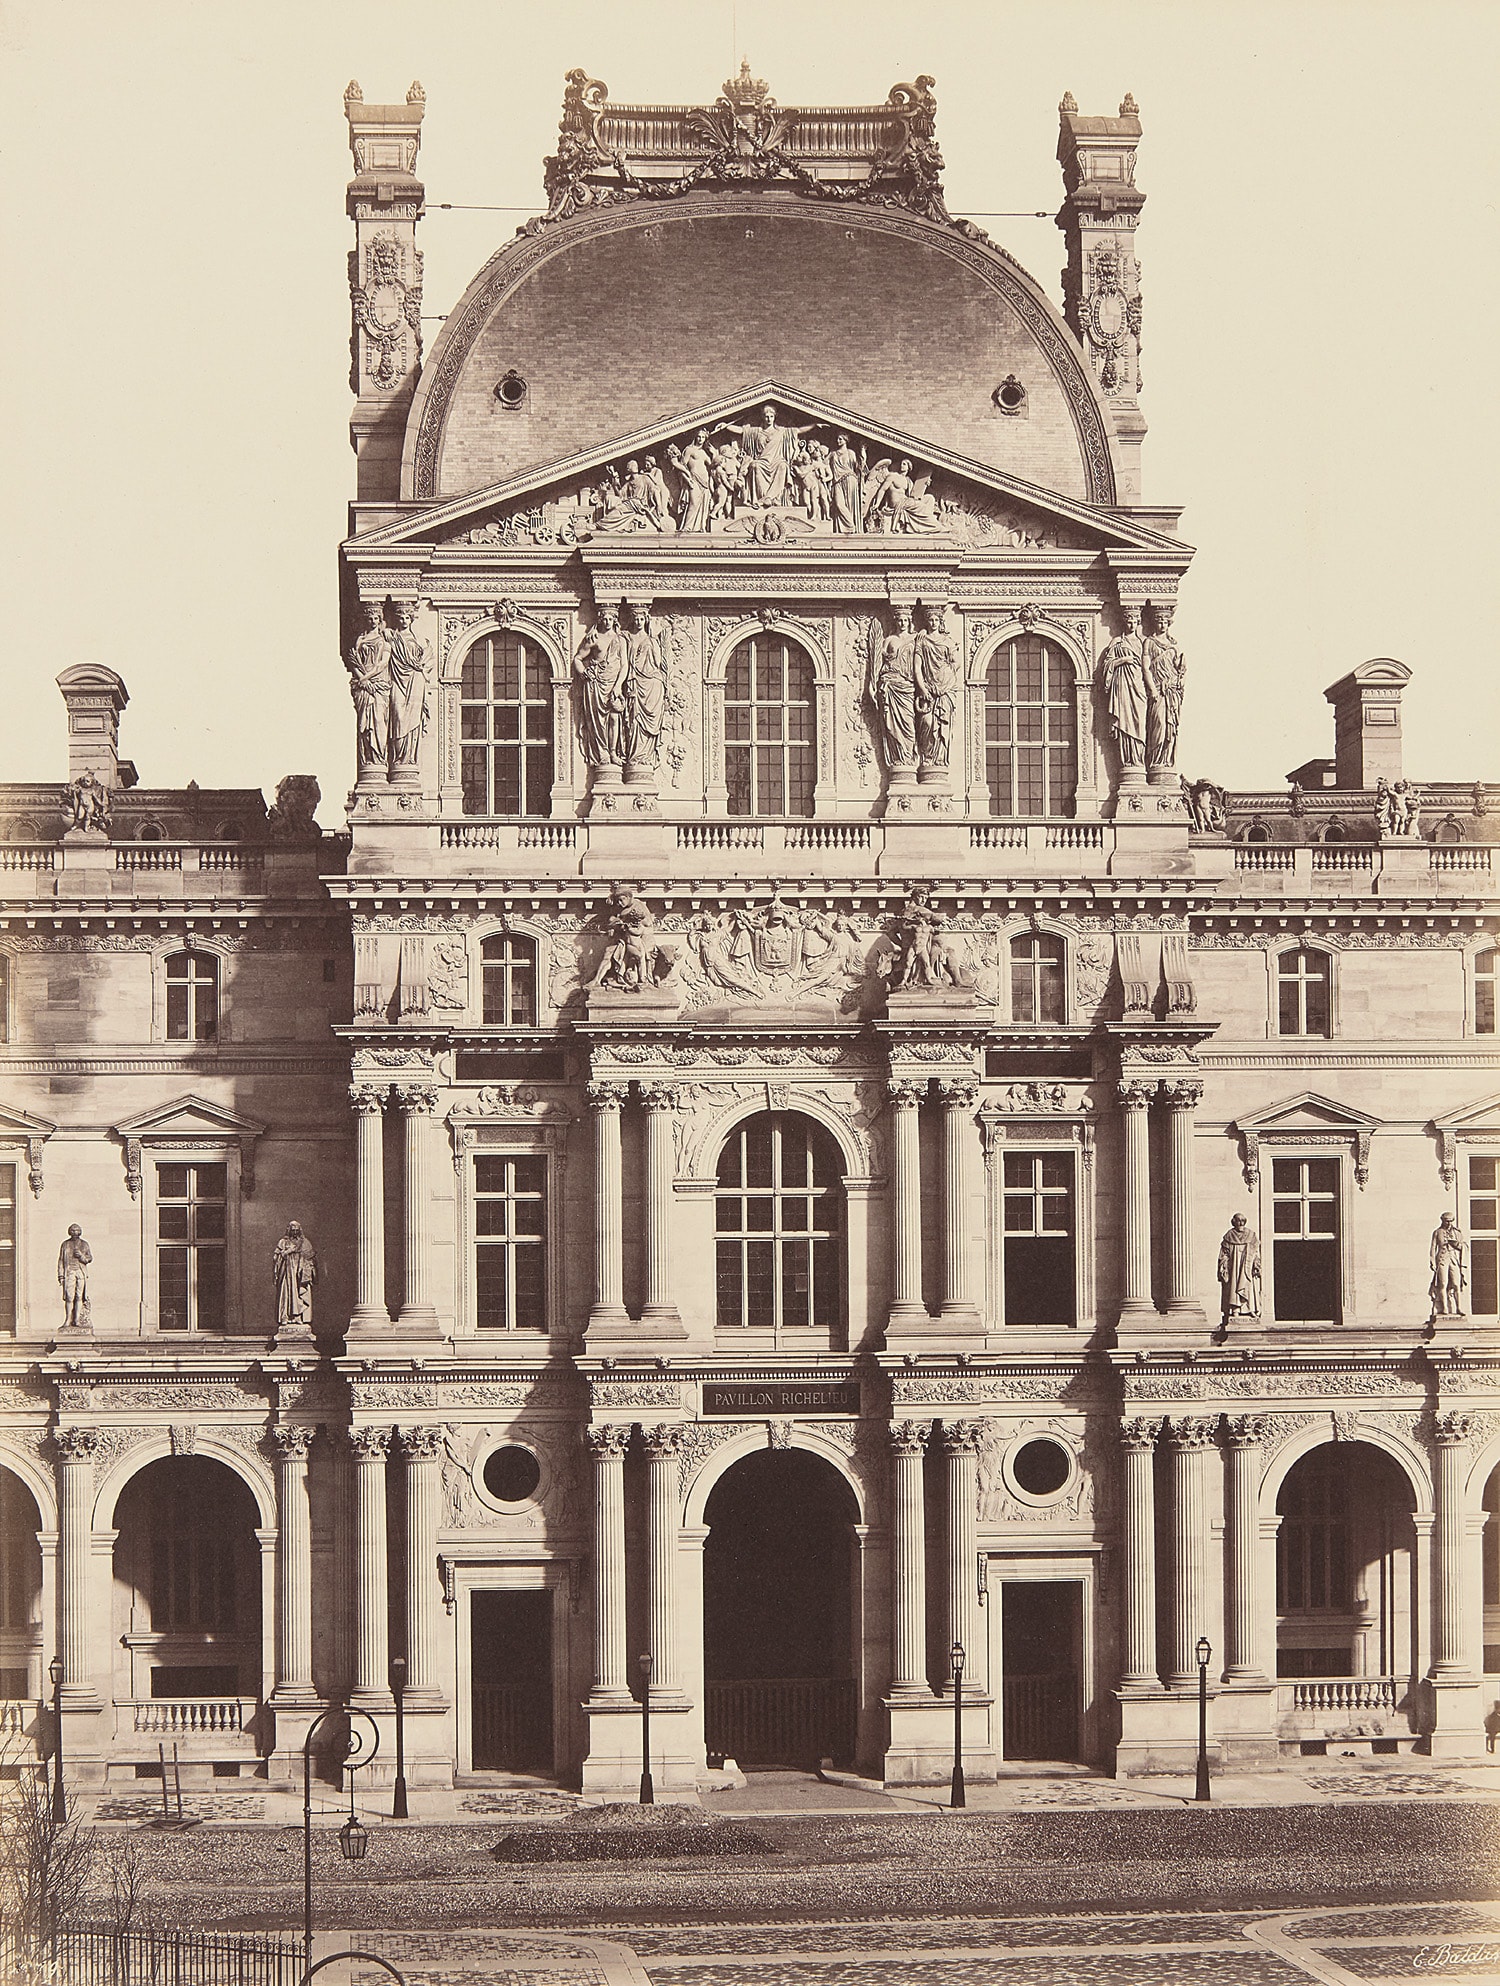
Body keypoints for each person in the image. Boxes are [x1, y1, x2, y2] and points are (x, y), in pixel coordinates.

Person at [710, 404, 817, 507]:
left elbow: (799, 430)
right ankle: (762, 498)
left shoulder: (782, 431)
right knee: (755, 466)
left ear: (775, 417)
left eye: (771, 416)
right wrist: (726, 426)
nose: (769, 419)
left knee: (783, 466)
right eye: (766, 417)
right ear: (762, 417)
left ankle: (771, 498)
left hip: (776, 461)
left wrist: (815, 424)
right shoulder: (756, 431)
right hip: (761, 461)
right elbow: (741, 431)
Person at [572, 609, 629, 768]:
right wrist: (583, 673)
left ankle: (613, 752)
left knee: (614, 718)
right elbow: (578, 659)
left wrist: (618, 686)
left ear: (615, 620)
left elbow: (624, 665)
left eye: (610, 619)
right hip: (596, 683)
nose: (607, 622)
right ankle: (602, 751)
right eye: (604, 619)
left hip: (613, 683)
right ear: (600, 620)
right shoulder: (594, 638)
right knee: (598, 721)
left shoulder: (620, 640)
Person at [871, 606, 920, 773]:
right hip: (891, 683)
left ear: (910, 621)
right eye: (899, 620)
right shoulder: (889, 640)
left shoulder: (916, 639)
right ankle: (899, 760)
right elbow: (879, 662)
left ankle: (908, 759)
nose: (902, 623)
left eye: (905, 620)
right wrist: (872, 683)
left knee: (909, 725)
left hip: (907, 686)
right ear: (895, 621)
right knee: (892, 725)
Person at [385, 600, 432, 775]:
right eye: (401, 617)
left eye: (407, 617)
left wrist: (421, 666)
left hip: (416, 680)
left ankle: (408, 759)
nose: (404, 620)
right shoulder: (390, 636)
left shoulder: (419, 639)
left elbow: (428, 659)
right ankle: (398, 761)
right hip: (397, 681)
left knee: (413, 721)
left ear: (412, 619)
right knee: (397, 715)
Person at [345, 600, 392, 776]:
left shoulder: (385, 641)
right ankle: (370, 761)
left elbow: (382, 664)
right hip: (364, 687)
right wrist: (361, 679)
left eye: (376, 618)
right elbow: (354, 661)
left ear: (380, 620)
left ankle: (379, 758)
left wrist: (365, 678)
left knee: (379, 722)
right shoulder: (361, 639)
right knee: (365, 724)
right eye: (370, 618)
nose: (373, 621)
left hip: (378, 685)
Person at [913, 602, 960, 770]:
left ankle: (939, 760)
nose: (933, 623)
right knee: (926, 722)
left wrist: (947, 678)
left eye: (936, 620)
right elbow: (917, 667)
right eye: (930, 620)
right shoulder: (922, 640)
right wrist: (923, 688)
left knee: (943, 725)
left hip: (946, 688)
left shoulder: (947, 641)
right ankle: (927, 758)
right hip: (929, 688)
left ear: (941, 622)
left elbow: (956, 663)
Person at [1101, 606, 1149, 769]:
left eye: (1134, 621)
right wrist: (1124, 660)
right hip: (1122, 685)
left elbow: (1149, 668)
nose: (1131, 624)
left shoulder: (1144, 643)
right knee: (1124, 721)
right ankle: (1128, 761)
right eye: (1128, 621)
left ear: (1138, 622)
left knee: (1139, 723)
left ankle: (1138, 760)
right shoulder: (1117, 642)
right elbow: (1107, 665)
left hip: (1138, 686)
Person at [623, 606, 667, 777]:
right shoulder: (626, 638)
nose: (638, 622)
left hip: (651, 684)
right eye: (636, 619)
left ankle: (645, 758)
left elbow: (657, 663)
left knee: (647, 726)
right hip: (634, 683)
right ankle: (634, 758)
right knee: (634, 721)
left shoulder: (652, 641)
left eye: (642, 619)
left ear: (646, 620)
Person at [1144, 603, 1185, 773]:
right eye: (1159, 621)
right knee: (1159, 724)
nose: (1162, 625)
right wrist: (1152, 689)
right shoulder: (1149, 642)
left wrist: (1180, 676)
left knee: (1171, 728)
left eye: (1165, 622)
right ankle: (1155, 760)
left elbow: (1179, 669)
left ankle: (1165, 761)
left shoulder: (1174, 646)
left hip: (1172, 691)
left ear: (1169, 624)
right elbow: (1146, 667)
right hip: (1158, 691)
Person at [273, 1221, 317, 1329]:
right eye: (293, 1230)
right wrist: (287, 1252)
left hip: (301, 1273)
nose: (295, 1232)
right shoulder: (283, 1242)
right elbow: (276, 1258)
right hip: (288, 1272)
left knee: (300, 1293)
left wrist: (307, 1265)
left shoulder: (305, 1242)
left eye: (297, 1230)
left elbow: (311, 1257)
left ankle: (299, 1316)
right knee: (287, 1293)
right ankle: (286, 1317)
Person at [1216, 1214, 1261, 1319]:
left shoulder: (1251, 1235)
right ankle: (1235, 1309)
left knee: (1248, 1285)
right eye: (1238, 1220)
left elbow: (1256, 1251)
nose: (1241, 1223)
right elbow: (1224, 1254)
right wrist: (1224, 1267)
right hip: (1234, 1267)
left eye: (1242, 1221)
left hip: (1248, 1266)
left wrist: (1256, 1263)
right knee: (1233, 1287)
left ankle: (1250, 1309)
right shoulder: (1229, 1236)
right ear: (1234, 1222)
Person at [1429, 1212, 1467, 1317]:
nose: (1449, 1223)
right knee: (1443, 1283)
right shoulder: (1437, 1232)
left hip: (1454, 1259)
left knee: (1456, 1284)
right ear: (1442, 1220)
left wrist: (1456, 1244)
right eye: (1447, 1221)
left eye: (1451, 1221)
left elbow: (1463, 1246)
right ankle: (1444, 1307)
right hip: (1442, 1259)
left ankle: (1459, 1307)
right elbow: (1433, 1247)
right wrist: (1432, 1260)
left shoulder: (1457, 1232)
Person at [57, 1225, 92, 1331]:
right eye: (73, 1230)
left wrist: (81, 1256)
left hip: (80, 1272)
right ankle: (68, 1319)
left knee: (79, 1296)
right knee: (69, 1296)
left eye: (77, 1230)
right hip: (70, 1272)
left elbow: (89, 1258)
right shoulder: (65, 1244)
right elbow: (61, 1261)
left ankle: (76, 1320)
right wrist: (61, 1275)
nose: (75, 1232)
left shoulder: (84, 1244)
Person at [829, 434, 862, 532]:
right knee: (839, 504)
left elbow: (858, 468)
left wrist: (863, 454)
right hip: (837, 482)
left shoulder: (851, 453)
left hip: (849, 479)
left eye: (840, 439)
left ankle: (850, 529)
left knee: (850, 504)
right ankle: (850, 525)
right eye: (837, 438)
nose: (838, 440)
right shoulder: (833, 454)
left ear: (846, 440)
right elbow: (822, 463)